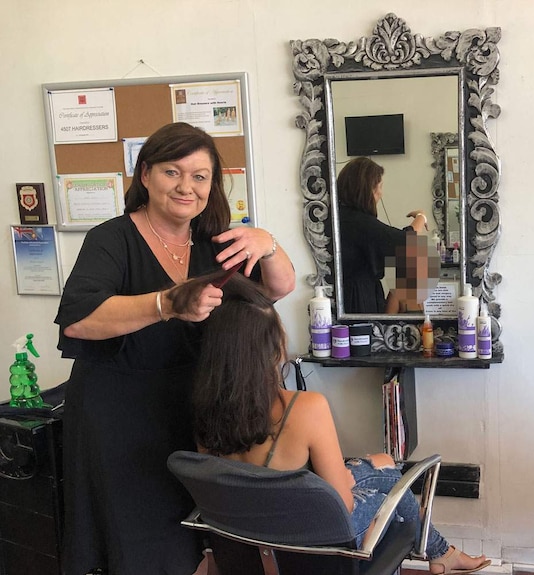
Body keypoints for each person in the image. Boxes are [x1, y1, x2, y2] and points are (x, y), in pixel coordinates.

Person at [54, 122, 296, 575]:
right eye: (172, 172)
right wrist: (165, 303)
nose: (187, 186)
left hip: (192, 407)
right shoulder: (112, 239)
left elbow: (277, 288)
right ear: (145, 175)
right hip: (119, 414)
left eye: (200, 176)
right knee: (138, 537)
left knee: (193, 534)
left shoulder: (213, 241)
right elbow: (80, 320)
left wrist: (268, 245)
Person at [186, 271, 490, 575]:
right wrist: (344, 479)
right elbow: (342, 508)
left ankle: (442, 552)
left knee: (382, 464)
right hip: (312, 544)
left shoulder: (201, 410)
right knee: (391, 486)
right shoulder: (305, 408)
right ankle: (438, 553)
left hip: (246, 540)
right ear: (272, 349)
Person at [336, 156, 428, 313]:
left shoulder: (341, 217)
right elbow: (406, 242)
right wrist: (421, 217)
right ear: (367, 190)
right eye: (379, 187)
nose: (380, 194)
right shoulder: (359, 222)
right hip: (357, 301)